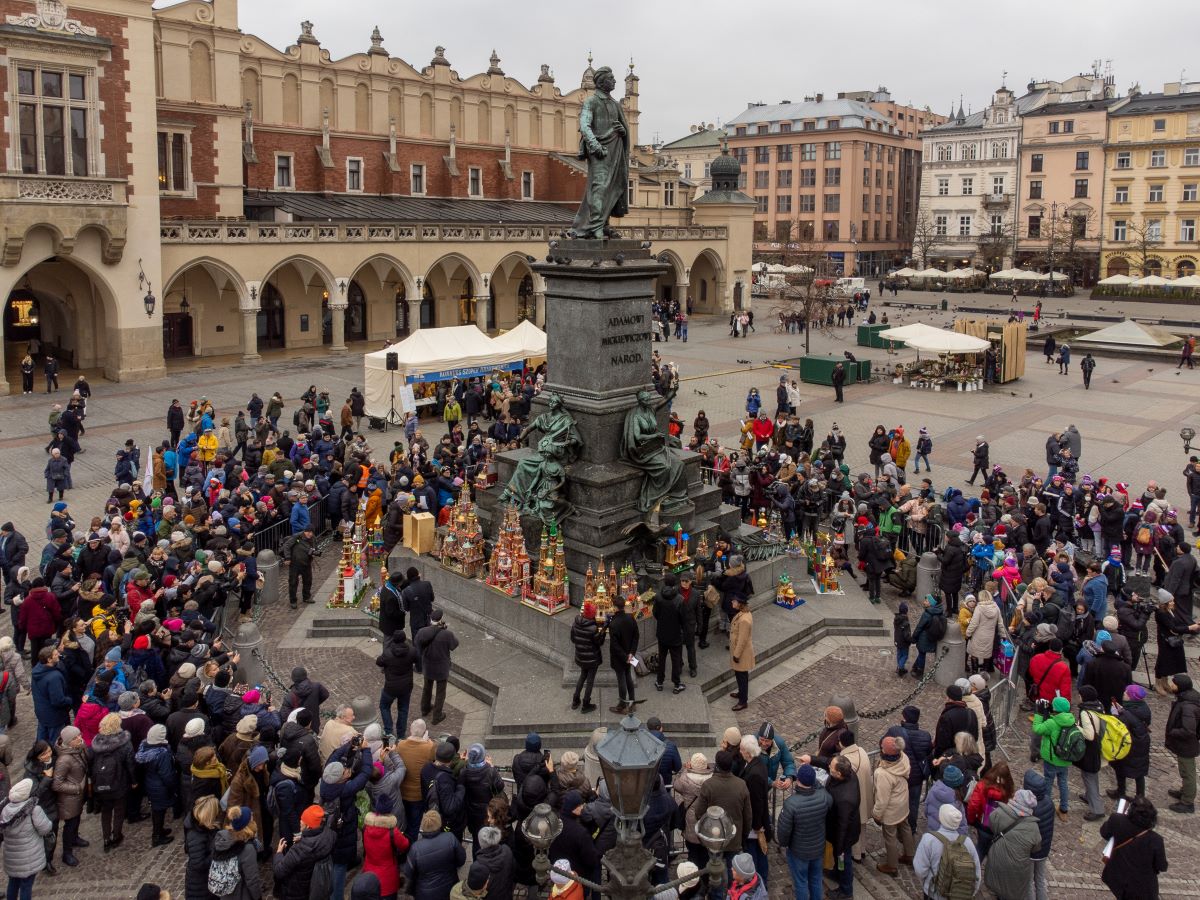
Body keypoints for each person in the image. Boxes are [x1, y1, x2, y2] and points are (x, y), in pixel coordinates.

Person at [775, 762, 831, 900]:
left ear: (798, 780)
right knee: (816, 879)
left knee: (800, 882)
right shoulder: (824, 797)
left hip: (798, 851)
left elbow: (783, 832)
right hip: (817, 848)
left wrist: (784, 844)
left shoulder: (791, 804)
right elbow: (820, 789)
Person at [1099, 795, 1168, 899]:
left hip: (1118, 877)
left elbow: (1104, 832)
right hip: (1142, 888)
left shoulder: (1117, 820)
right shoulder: (1155, 840)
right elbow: (1161, 866)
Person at [983, 790, 1042, 900]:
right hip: (1018, 866)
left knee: (998, 883)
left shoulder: (999, 813)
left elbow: (991, 825)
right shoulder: (1033, 827)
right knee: (1011, 890)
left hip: (998, 857)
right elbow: (1036, 847)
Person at [0, 779, 53, 900]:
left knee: (13, 883)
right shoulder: (34, 810)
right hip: (29, 857)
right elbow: (45, 829)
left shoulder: (5, 809)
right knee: (26, 886)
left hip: (12, 858)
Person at [271, 805, 337, 900]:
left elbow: (279, 871)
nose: (300, 822)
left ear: (308, 826)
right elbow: (315, 843)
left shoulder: (300, 849)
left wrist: (279, 853)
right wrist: (304, 838)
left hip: (297, 891)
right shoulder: (330, 835)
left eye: (302, 820)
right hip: (313, 886)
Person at [871, 735, 913, 877]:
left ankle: (892, 865)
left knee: (890, 837)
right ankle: (910, 854)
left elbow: (882, 800)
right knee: (906, 828)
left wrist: (876, 814)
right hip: (903, 802)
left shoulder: (882, 773)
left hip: (891, 810)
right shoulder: (904, 757)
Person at [405, 810, 467, 900]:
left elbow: (408, 872)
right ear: (439, 822)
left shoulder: (415, 848)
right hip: (449, 887)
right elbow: (461, 860)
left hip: (424, 893)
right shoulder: (450, 838)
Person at [1032, 696, 1076, 817]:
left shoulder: (1052, 723)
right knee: (1063, 783)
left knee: (1048, 782)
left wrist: (1039, 714)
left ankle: (1046, 808)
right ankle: (1064, 809)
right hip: (1065, 759)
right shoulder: (1072, 720)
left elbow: (1037, 729)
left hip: (1052, 759)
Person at [415, 608, 458, 726]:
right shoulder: (446, 634)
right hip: (441, 667)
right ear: (440, 620)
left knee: (427, 688)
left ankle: (425, 709)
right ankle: (437, 716)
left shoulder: (422, 632)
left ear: (430, 619)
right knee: (440, 692)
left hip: (428, 665)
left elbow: (417, 645)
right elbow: (454, 645)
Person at [1165, 672, 1200, 814]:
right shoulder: (1186, 699)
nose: (1171, 685)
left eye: (1173, 683)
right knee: (1184, 770)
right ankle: (1184, 791)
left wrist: (1173, 732)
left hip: (1186, 745)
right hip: (1184, 745)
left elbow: (1188, 730)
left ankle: (1187, 802)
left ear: (1180, 687)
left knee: (1188, 772)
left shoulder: (1188, 706)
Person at [376, 629, 418, 737]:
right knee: (403, 710)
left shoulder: (388, 653)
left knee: (384, 706)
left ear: (393, 639)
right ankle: (400, 735)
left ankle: (389, 730)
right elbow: (418, 661)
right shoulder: (412, 651)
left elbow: (379, 661)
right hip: (406, 686)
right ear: (404, 639)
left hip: (391, 687)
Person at [653, 574, 686, 695]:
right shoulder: (679, 599)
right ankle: (676, 684)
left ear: (665, 583)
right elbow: (683, 618)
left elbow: (655, 613)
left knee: (662, 658)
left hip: (662, 633)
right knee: (676, 659)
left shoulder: (658, 597)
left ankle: (659, 682)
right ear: (675, 584)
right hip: (675, 634)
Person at [607, 597, 639, 715]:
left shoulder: (614, 624)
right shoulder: (630, 618)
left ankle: (622, 705)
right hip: (630, 655)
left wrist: (625, 657)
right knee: (628, 677)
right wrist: (631, 653)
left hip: (619, 658)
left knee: (621, 679)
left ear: (615, 607)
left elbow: (615, 645)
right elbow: (636, 636)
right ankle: (632, 702)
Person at [281, 526, 318, 610]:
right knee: (293, 582)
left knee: (308, 581)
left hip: (307, 563)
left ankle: (306, 597)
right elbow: (286, 546)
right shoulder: (297, 537)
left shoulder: (313, 538)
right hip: (295, 564)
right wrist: (287, 558)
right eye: (308, 532)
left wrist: (314, 553)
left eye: (311, 533)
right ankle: (293, 601)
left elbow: (315, 548)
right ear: (304, 531)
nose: (310, 534)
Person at [729, 596, 754, 712]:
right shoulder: (742, 614)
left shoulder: (744, 619)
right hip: (740, 652)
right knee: (740, 675)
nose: (732, 602)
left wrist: (736, 655)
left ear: (740, 604)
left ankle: (743, 701)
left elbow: (742, 639)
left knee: (742, 676)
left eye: (734, 601)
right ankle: (741, 693)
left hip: (741, 654)